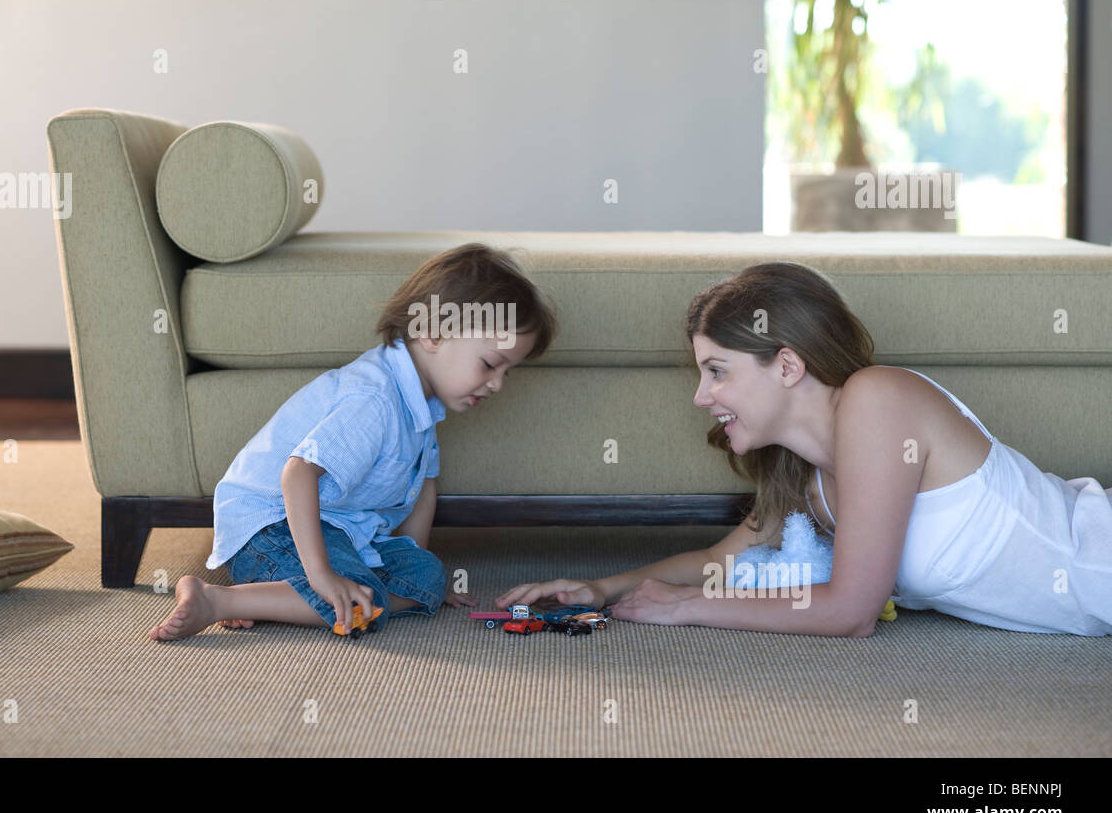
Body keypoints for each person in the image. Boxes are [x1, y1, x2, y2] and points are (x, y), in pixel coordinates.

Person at [498, 261, 1111, 638]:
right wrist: (602, 588)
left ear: (787, 364)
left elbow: (850, 611)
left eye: (717, 371)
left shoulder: (877, 399)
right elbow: (721, 559)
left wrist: (689, 607)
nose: (701, 397)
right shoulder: (805, 476)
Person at [151, 243, 559, 641]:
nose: (497, 384)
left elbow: (423, 488)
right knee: (352, 592)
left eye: (508, 372)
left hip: (342, 531)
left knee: (429, 577)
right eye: (490, 364)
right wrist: (322, 574)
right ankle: (220, 601)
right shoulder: (374, 399)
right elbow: (297, 475)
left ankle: (288, 598)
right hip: (274, 527)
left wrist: (408, 564)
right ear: (434, 334)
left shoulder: (422, 406)